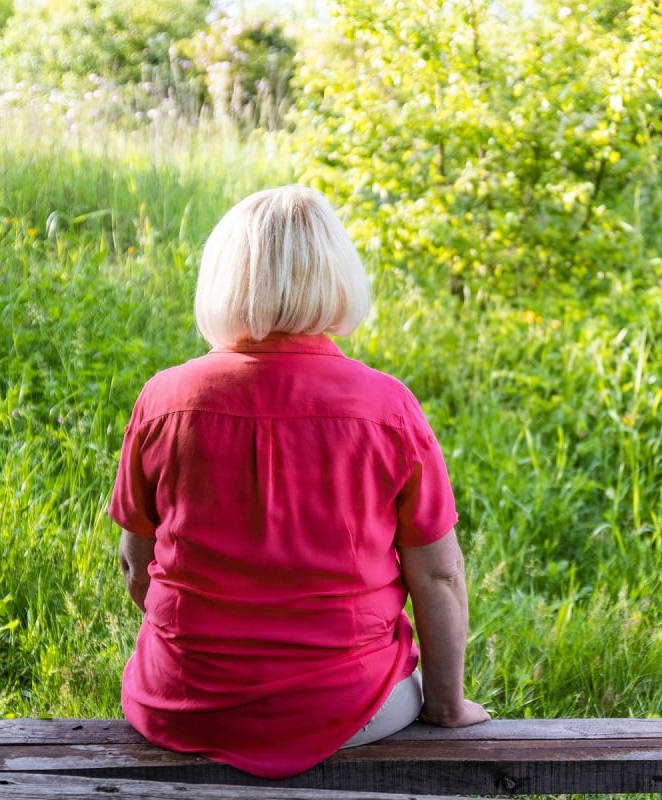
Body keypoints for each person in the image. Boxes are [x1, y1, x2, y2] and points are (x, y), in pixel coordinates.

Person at [108, 185, 489, 779]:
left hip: (182, 706)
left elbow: (136, 567)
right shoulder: (387, 408)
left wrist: (212, 655)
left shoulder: (165, 400)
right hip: (353, 708)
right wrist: (447, 704)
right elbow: (438, 573)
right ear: (337, 277)